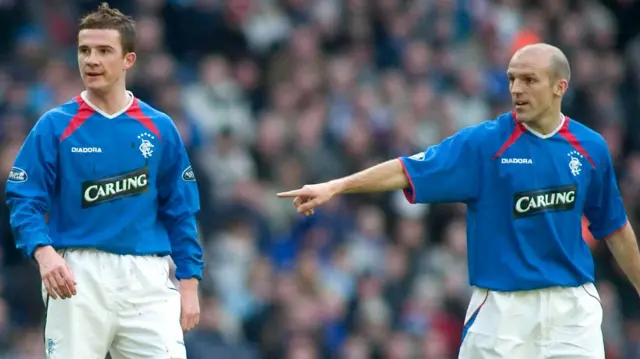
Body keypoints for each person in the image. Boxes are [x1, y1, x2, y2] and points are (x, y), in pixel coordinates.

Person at [277, 43, 640, 359]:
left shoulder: (590, 147)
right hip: (503, 311)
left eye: (529, 79)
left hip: (571, 309)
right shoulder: (485, 144)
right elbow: (407, 170)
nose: (516, 88)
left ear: (560, 87)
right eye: (512, 78)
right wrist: (337, 186)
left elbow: (615, 228)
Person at [5, 3, 203, 358]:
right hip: (77, 274)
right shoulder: (55, 125)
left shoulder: (160, 128)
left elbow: (181, 211)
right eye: (84, 50)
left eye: (104, 51)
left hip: (147, 277)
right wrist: (44, 253)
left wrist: (189, 283)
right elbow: (24, 198)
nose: (91, 60)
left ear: (128, 59)